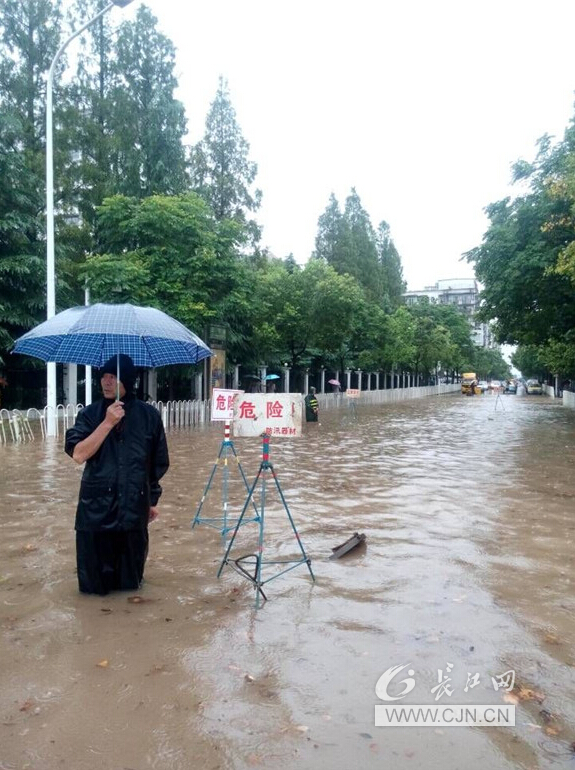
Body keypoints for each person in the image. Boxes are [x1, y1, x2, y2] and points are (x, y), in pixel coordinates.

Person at [65, 354, 169, 595]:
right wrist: (107, 423)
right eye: (104, 376)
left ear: (128, 381)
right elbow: (78, 454)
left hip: (133, 513)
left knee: (130, 589)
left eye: (113, 377)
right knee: (92, 590)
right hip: (95, 514)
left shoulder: (149, 416)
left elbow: (157, 464)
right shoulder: (90, 415)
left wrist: (151, 501)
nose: (106, 382)